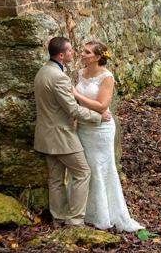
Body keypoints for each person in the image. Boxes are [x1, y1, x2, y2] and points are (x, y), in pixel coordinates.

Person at [33, 36, 111, 229]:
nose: (74, 53)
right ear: (61, 55)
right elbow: (72, 110)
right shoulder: (58, 77)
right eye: (70, 51)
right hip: (61, 136)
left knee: (56, 179)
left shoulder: (43, 71)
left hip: (45, 135)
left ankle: (59, 219)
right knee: (83, 173)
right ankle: (75, 221)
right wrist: (98, 117)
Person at [73, 40, 144, 232]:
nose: (82, 54)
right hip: (84, 127)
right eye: (82, 51)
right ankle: (85, 211)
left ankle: (104, 214)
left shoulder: (107, 77)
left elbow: (103, 106)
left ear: (97, 57)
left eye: (87, 52)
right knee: (86, 168)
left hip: (101, 130)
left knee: (101, 168)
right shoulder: (80, 73)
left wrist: (77, 96)